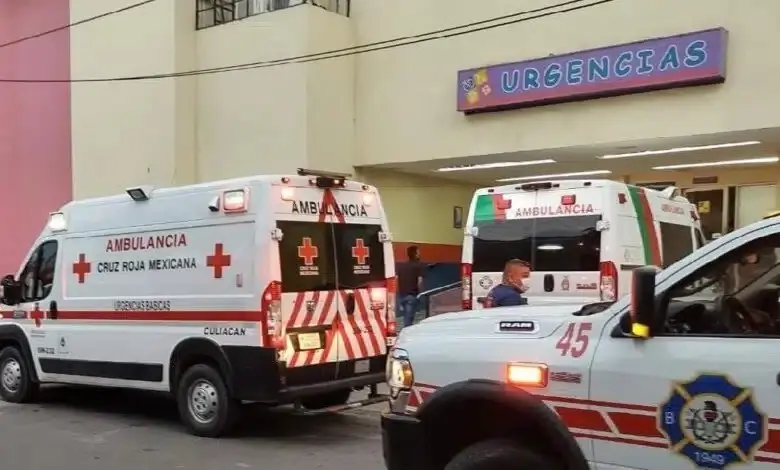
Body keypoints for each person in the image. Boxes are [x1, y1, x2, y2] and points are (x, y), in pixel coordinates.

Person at [396, 245, 425, 327]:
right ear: (415, 254)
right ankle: (406, 337)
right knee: (408, 321)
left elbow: (397, 280)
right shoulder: (419, 265)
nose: (420, 254)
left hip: (402, 296)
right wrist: (420, 294)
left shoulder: (401, 266)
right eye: (418, 252)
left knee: (406, 317)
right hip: (411, 295)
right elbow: (420, 281)